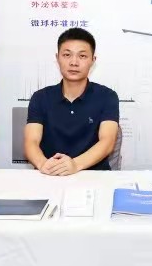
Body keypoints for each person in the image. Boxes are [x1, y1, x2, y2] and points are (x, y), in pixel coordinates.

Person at [24, 27, 120, 175]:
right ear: (57, 58)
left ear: (93, 60)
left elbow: (107, 142)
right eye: (67, 55)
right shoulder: (40, 97)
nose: (74, 62)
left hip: (94, 176)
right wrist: (43, 164)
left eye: (82, 56)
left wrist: (75, 165)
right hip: (51, 176)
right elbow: (31, 142)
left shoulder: (107, 96)